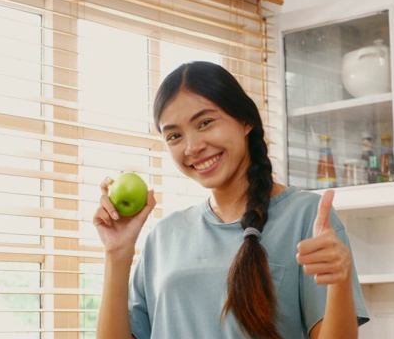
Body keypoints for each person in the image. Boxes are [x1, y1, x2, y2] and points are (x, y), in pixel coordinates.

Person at [94, 61, 369, 339]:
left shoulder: (307, 218)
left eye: (205, 122)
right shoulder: (165, 236)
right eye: (175, 135)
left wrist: (341, 280)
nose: (192, 147)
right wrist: (117, 254)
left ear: (245, 120)